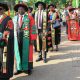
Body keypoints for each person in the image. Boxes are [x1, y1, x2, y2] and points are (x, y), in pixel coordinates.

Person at [13, 3, 37, 75]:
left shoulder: (29, 17)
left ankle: (27, 68)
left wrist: (33, 38)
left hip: (26, 38)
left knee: (27, 53)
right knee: (18, 52)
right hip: (17, 38)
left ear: (25, 10)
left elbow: (33, 28)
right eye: (19, 9)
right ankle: (19, 68)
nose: (20, 10)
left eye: (21, 9)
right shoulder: (14, 18)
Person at [0, 2, 14, 80]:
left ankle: (5, 76)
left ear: (4, 9)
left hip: (5, 44)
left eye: (0, 9)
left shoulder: (8, 19)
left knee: (4, 59)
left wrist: (2, 36)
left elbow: (9, 30)